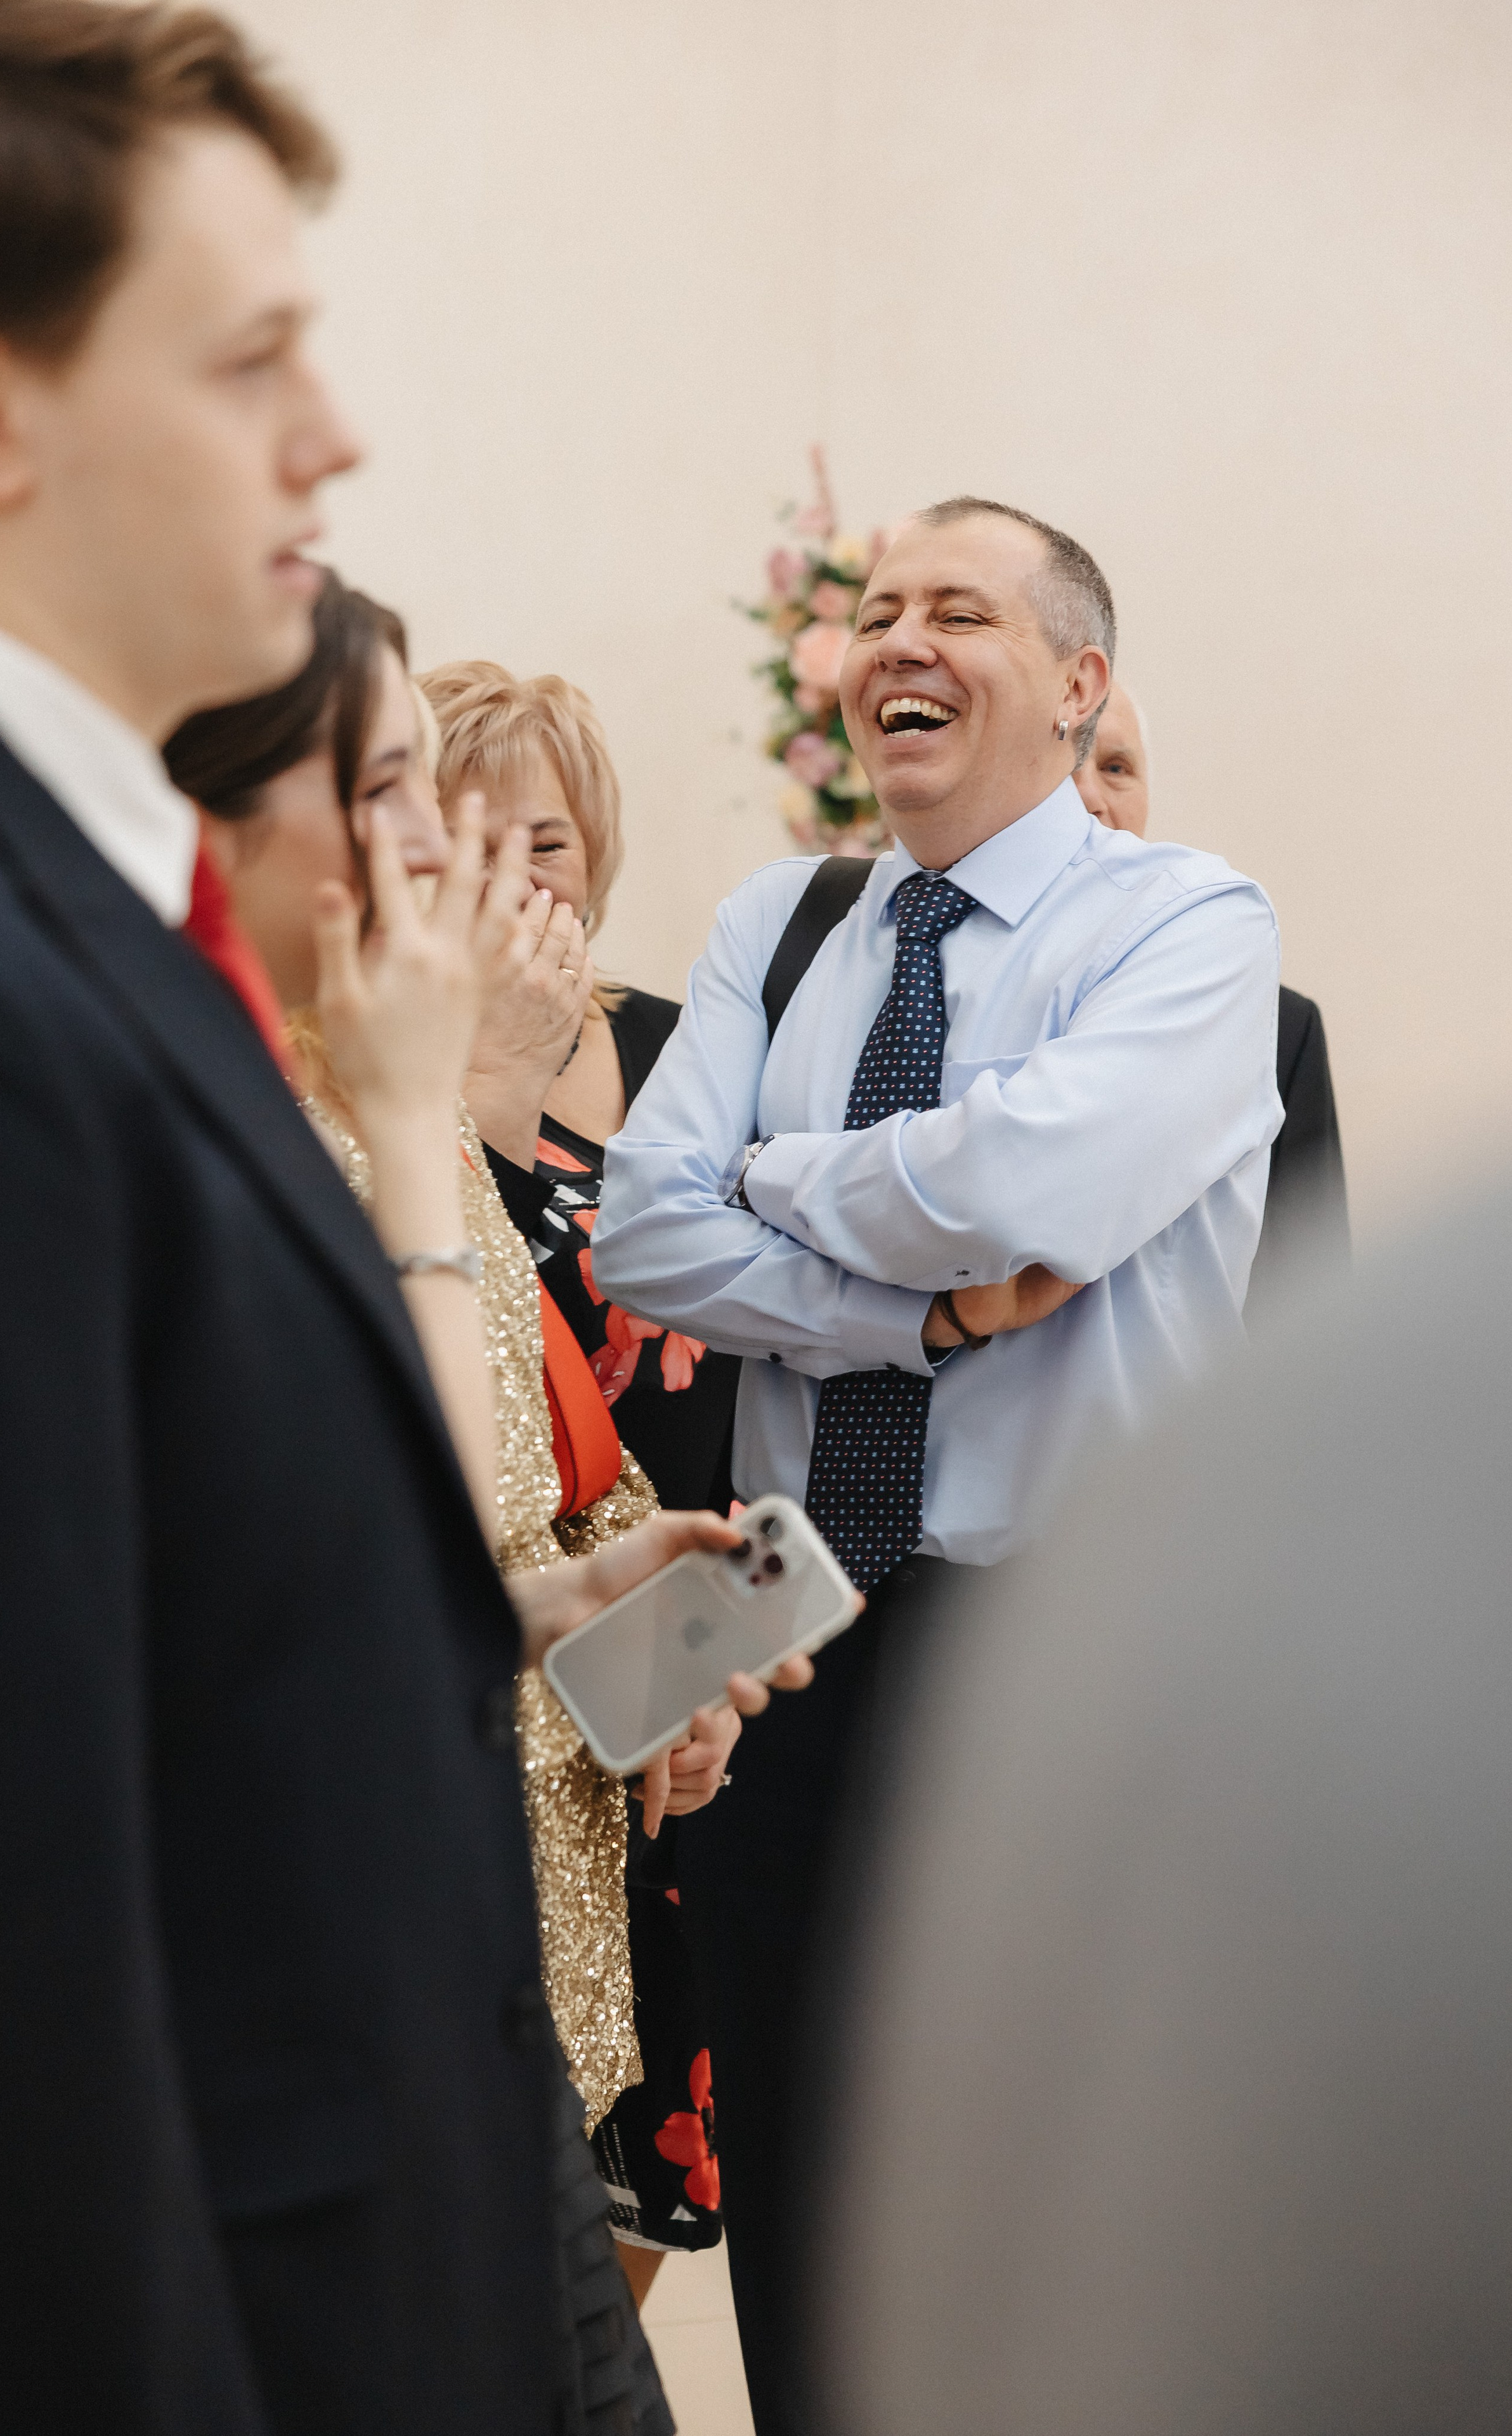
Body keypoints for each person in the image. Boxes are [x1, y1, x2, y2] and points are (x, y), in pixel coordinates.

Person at [0, 9, 799, 2428]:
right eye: (248, 357)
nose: (338, 432)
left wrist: (502, 1611)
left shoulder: (78, 905)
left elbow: (165, 1612)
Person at [594, 495, 1284, 2435]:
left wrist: (764, 1174)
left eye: (957, 610)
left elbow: (1024, 1183)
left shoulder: (1189, 921)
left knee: (1054, 2183)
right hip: (776, 1611)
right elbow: (640, 1234)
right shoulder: (779, 920)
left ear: (1076, 685)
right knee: (796, 2166)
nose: (896, 638)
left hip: (1064, 1631)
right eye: (877, 607)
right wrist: (933, 1318)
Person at [824, 1178, 1512, 2436]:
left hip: (1074, 1594)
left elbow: (1043, 1208)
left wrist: (779, 1195)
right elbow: (658, 1241)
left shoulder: (1366, 1418)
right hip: (843, 1611)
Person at [422, 658, 742, 2300]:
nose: (515, 878)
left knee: (626, 2244)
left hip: (682, 1677)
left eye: (543, 841)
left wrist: (704, 1671)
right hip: (500, 1683)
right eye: (469, 840)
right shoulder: (375, 1078)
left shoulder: (687, 1055)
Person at [1076, 682, 1350, 1296]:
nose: (1089, 797)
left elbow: (1310, 1292)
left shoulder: (1281, 1026)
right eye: (1066, 763)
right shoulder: (936, 993)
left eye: (1116, 768)